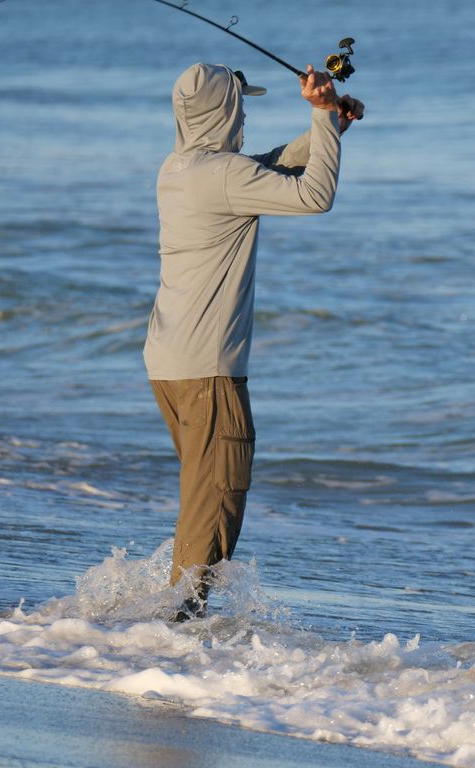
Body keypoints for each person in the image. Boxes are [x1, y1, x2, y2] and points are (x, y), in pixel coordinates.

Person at [144, 62, 363, 621]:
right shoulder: (223, 176)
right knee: (215, 512)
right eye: (241, 105)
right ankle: (168, 640)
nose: (244, 114)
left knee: (201, 506)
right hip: (208, 373)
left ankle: (164, 631)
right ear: (225, 111)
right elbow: (314, 196)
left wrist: (327, 127)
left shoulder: (179, 169)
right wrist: (319, 114)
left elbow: (264, 168)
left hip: (171, 366)